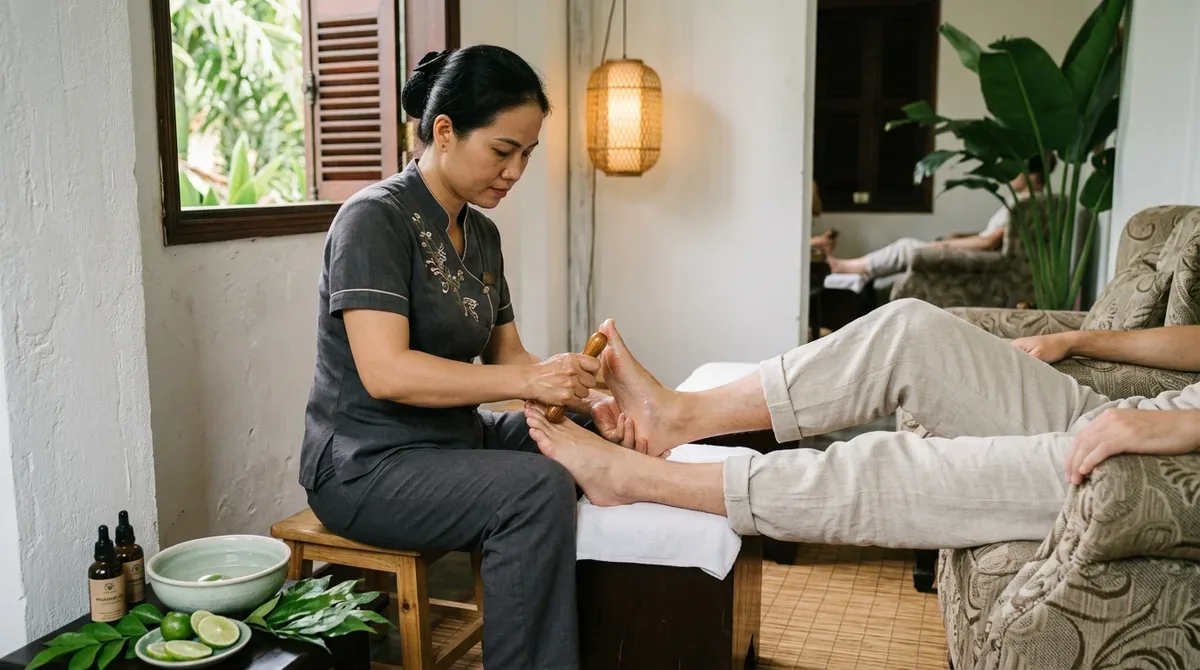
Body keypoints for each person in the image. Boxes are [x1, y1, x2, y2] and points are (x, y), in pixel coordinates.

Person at [298, 45, 633, 670]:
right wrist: (529, 378)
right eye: (503, 150)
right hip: (365, 465)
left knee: (594, 434)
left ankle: (626, 634)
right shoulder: (373, 220)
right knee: (533, 489)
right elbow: (386, 371)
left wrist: (570, 386)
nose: (514, 171)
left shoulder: (481, 233)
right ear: (444, 131)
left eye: (526, 156)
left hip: (451, 442)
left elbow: (510, 357)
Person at [522, 299, 1200, 550]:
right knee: (910, 330)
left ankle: (640, 478)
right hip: (1131, 417)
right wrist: (1081, 341)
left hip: (1163, 467)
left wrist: (1185, 432)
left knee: (890, 465)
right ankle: (677, 417)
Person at [823, 155, 1057, 280]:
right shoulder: (1027, 204)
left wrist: (943, 244)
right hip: (979, 251)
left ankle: (847, 266)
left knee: (907, 248)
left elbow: (990, 242)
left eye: (1015, 169)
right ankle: (853, 267)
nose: (1009, 175)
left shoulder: (1025, 208)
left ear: (1031, 175)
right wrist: (958, 236)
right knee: (909, 247)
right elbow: (993, 236)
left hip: (981, 258)